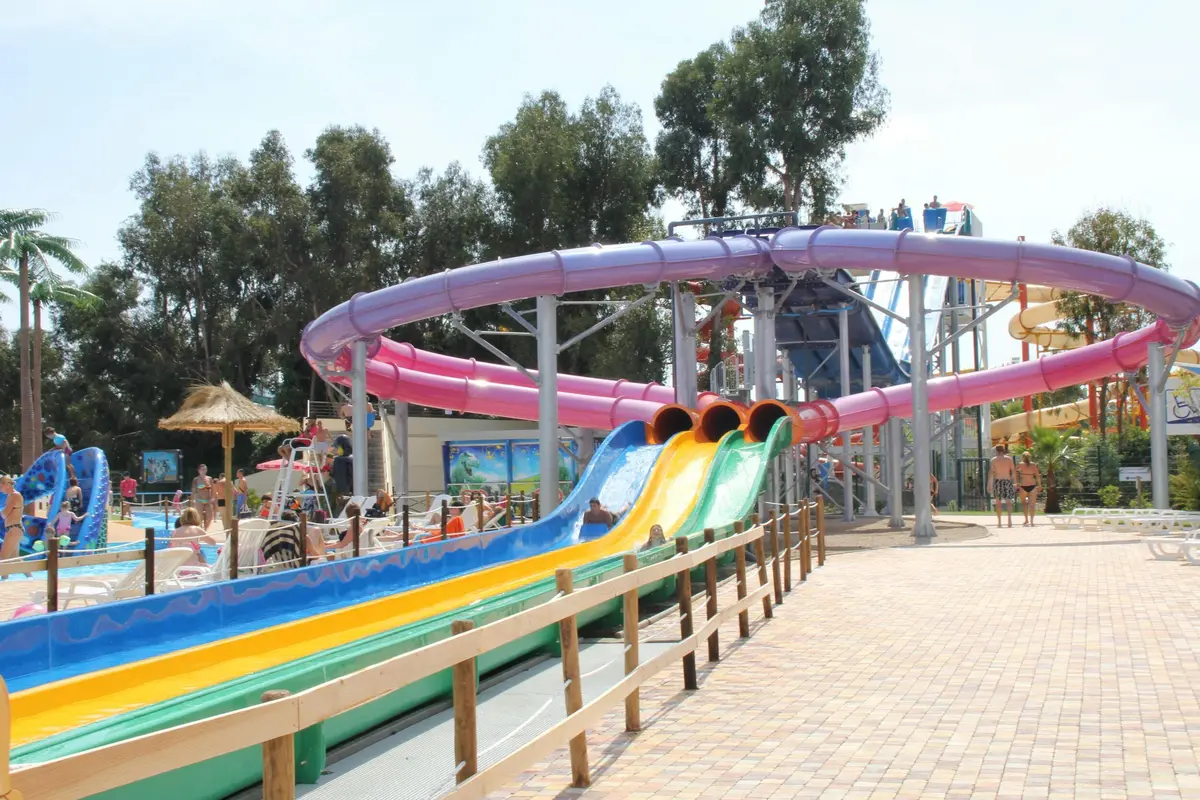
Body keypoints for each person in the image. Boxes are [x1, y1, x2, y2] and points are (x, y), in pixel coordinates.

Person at [0, 475, 28, 576]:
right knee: (15, 558)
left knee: (3, 559)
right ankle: (31, 578)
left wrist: (2, 511)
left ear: (7, 484)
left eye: (0, 486)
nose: (0, 489)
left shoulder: (15, 495)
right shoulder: (11, 496)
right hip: (14, 529)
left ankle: (4, 581)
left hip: (14, 529)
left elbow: (4, 514)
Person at [987, 444, 1017, 528]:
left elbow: (991, 473)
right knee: (1008, 502)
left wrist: (989, 485)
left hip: (998, 481)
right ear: (1003, 450)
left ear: (996, 451)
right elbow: (1013, 471)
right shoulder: (1009, 459)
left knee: (998, 503)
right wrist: (1014, 482)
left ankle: (999, 522)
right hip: (1007, 481)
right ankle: (1009, 521)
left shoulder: (994, 460)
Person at [1016, 452, 1043, 527]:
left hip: (1023, 486)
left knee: (1024, 504)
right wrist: (1040, 485)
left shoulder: (1020, 464)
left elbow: (1016, 473)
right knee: (1032, 505)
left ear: (1023, 457)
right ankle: (1031, 521)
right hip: (1032, 486)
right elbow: (1037, 476)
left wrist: (1017, 483)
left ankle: (1026, 520)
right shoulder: (1033, 465)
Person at [192, 464, 214, 528]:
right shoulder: (196, 479)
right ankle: (200, 530)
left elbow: (213, 489)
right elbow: (193, 490)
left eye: (205, 469)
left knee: (210, 517)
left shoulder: (209, 478)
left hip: (208, 500)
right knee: (199, 517)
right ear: (199, 471)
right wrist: (193, 500)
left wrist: (212, 498)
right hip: (199, 500)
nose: (204, 471)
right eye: (203, 469)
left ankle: (205, 530)